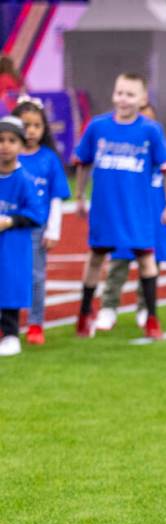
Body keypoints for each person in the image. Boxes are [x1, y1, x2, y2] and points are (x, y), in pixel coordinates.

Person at [73, 73, 166, 340]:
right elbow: (83, 164)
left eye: (130, 94)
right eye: (119, 93)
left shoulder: (151, 130)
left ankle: (151, 316)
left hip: (137, 211)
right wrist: (80, 197)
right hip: (105, 209)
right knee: (95, 258)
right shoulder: (97, 127)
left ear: (142, 99)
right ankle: (85, 313)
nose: (123, 99)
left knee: (146, 259)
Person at [97, 103, 166, 331]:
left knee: (151, 263)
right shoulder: (122, 147)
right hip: (128, 215)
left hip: (156, 218)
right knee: (119, 261)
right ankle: (108, 306)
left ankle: (145, 307)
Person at [12, 96, 71, 346]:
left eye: (37, 125)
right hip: (9, 228)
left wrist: (54, 229)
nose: (31, 131)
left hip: (37, 228)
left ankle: (35, 323)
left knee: (36, 276)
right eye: (26, 125)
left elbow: (57, 197)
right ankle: (8, 325)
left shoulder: (49, 159)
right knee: (8, 275)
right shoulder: (9, 157)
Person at [0, 116, 44, 356]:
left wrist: (10, 221)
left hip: (12, 245)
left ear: (20, 145)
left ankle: (10, 334)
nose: (5, 146)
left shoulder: (24, 180)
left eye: (11, 141)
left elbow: (37, 213)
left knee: (8, 287)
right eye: (0, 140)